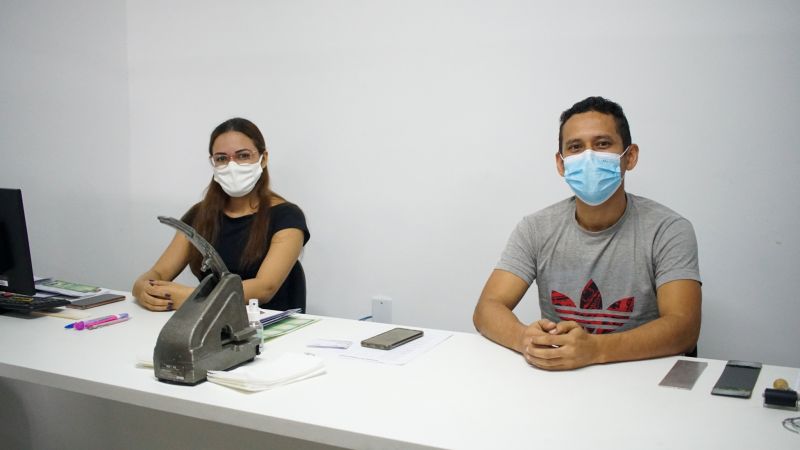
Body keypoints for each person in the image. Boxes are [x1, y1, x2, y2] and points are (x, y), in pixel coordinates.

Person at [473, 96, 701, 371]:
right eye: (575, 147)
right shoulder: (535, 228)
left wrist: (595, 349)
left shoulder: (668, 230)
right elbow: (487, 308)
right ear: (561, 164)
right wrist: (524, 339)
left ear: (630, 156)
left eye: (602, 144)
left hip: (643, 379)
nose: (589, 156)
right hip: (563, 378)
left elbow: (684, 327)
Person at [132, 118, 310, 312]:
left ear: (263, 158)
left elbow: (264, 287)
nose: (232, 166)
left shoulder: (287, 217)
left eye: (243, 156)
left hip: (268, 325)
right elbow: (159, 272)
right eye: (222, 159)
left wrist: (194, 298)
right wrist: (142, 287)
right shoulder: (199, 215)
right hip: (210, 322)